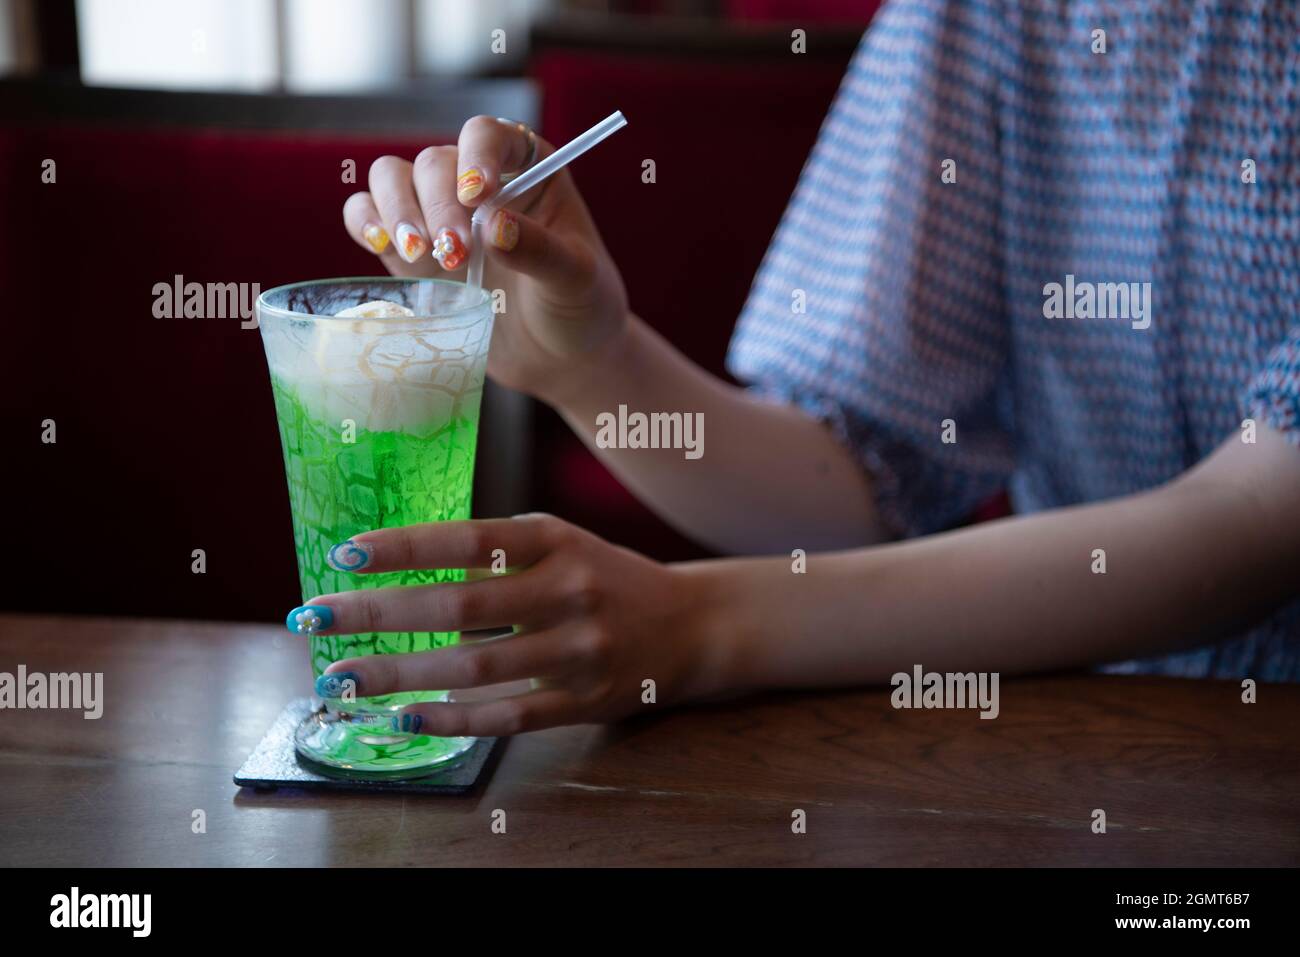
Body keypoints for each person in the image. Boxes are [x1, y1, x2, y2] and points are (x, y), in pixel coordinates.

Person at [297, 0, 1300, 736]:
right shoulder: (984, 16)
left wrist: (699, 623)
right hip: (1074, 747)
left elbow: (1262, 521)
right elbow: (854, 477)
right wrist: (592, 365)